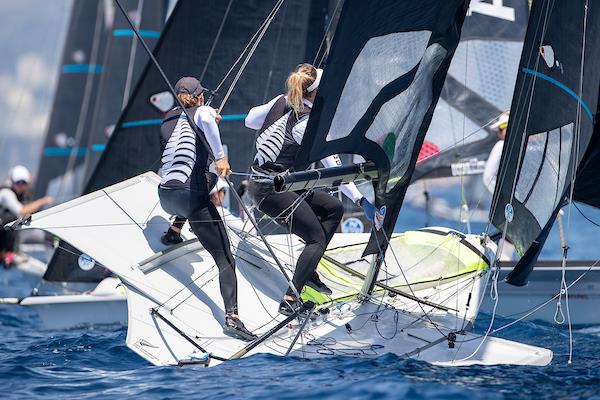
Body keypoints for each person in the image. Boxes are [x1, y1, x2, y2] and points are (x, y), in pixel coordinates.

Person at [245, 63, 378, 316]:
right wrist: (362, 201)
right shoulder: (307, 125)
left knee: (333, 208)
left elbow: (250, 120)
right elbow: (336, 170)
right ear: (315, 93)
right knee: (316, 238)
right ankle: (290, 297)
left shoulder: (279, 101)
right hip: (270, 191)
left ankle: (310, 271)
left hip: (272, 183)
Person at [157, 76, 257, 341]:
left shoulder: (167, 119)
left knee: (208, 178)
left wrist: (207, 122)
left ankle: (174, 231)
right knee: (226, 259)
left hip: (165, 196)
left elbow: (194, 130)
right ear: (199, 96)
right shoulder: (202, 112)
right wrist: (220, 156)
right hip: (190, 197)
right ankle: (232, 318)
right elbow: (206, 120)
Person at [0, 165, 53, 266]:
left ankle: (11, 253)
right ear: (12, 182)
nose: (21, 186)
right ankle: (7, 255)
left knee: (17, 220)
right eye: (18, 183)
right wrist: (43, 201)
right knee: (12, 220)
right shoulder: (6, 193)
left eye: (23, 183)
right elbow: (21, 211)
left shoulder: (24, 193)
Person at [482, 111, 514, 261]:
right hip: (507, 201)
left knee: (513, 233)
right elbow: (488, 177)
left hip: (511, 201)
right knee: (510, 232)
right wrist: (504, 197)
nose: (500, 132)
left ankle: (502, 262)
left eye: (502, 127)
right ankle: (501, 263)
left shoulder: (515, 147)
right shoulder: (501, 145)